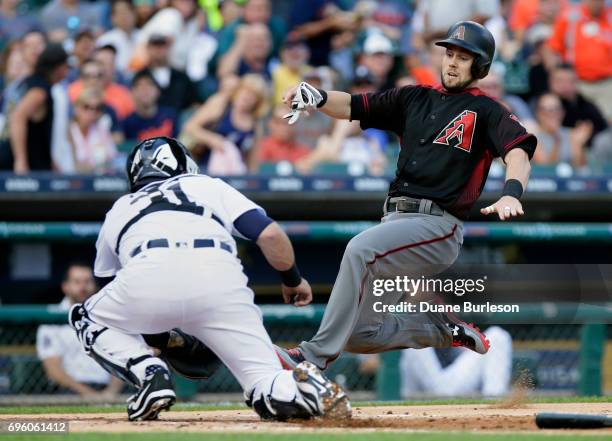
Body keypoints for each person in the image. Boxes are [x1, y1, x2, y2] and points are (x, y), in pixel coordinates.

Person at [276, 21, 537, 371]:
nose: (453, 62)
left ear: (481, 66)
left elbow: (518, 151)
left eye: (464, 57)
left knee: (359, 249)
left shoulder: (487, 110)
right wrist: (318, 97)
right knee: (359, 335)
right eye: (450, 54)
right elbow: (354, 105)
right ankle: (442, 330)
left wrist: (512, 192)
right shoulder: (414, 97)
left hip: (436, 225)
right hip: (395, 223)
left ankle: (310, 357)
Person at [68, 136, 351, 421]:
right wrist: (293, 280)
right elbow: (270, 234)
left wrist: (163, 341)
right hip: (220, 281)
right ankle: (306, 388)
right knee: (265, 380)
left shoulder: (120, 207)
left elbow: (113, 296)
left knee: (85, 315)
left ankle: (149, 373)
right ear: (185, 164)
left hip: (147, 272)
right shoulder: (207, 185)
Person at [37, 263, 124, 397]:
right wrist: (88, 394)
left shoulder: (109, 315)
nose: (83, 287)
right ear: (65, 286)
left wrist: (110, 393)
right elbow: (53, 370)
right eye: (77, 282)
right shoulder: (51, 318)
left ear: (95, 285)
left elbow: (122, 357)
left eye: (87, 282)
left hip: (108, 390)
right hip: (68, 392)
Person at [181, 74, 269, 173]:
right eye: (245, 91)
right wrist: (212, 139)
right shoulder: (221, 104)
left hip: (234, 171)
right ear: (238, 90)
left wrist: (252, 181)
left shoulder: (255, 123)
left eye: (254, 95)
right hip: (204, 165)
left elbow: (253, 160)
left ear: (258, 102)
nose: (247, 97)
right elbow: (190, 127)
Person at [399, 326, 513, 397]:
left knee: (497, 336)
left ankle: (494, 401)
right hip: (416, 390)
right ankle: (400, 399)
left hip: (446, 382)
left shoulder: (437, 305)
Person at [544, 0, 612, 120]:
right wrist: (556, 76)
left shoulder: (609, 17)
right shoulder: (571, 18)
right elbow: (551, 49)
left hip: (606, 83)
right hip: (576, 82)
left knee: (607, 123)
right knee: (577, 119)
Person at [8, 43, 69, 173]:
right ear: (58, 68)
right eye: (66, 67)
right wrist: (20, 161)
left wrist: (50, 163)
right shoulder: (39, 91)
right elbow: (17, 118)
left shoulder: (30, 82)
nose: (67, 71)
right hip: (21, 168)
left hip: (35, 164)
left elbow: (37, 134)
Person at [548, 64, 608, 146]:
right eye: (560, 81)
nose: (565, 86)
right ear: (550, 83)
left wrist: (588, 132)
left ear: (576, 82)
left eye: (570, 81)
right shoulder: (542, 106)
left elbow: (602, 126)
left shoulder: (587, 105)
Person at [532, 93, 591, 168]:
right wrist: (557, 141)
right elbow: (545, 169)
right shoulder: (533, 137)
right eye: (546, 110)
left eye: (556, 109)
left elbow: (581, 168)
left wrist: (578, 145)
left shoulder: (572, 134)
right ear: (538, 113)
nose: (552, 114)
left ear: (562, 112)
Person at [68, 87, 118, 174]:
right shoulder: (68, 131)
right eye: (86, 107)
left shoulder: (102, 131)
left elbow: (112, 161)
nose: (92, 113)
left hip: (99, 182)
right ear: (77, 108)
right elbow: (68, 165)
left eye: (97, 108)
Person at [123, 70, 178, 141]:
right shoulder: (127, 123)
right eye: (139, 85)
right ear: (132, 92)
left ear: (158, 91)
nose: (145, 90)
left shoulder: (171, 116)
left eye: (150, 84)